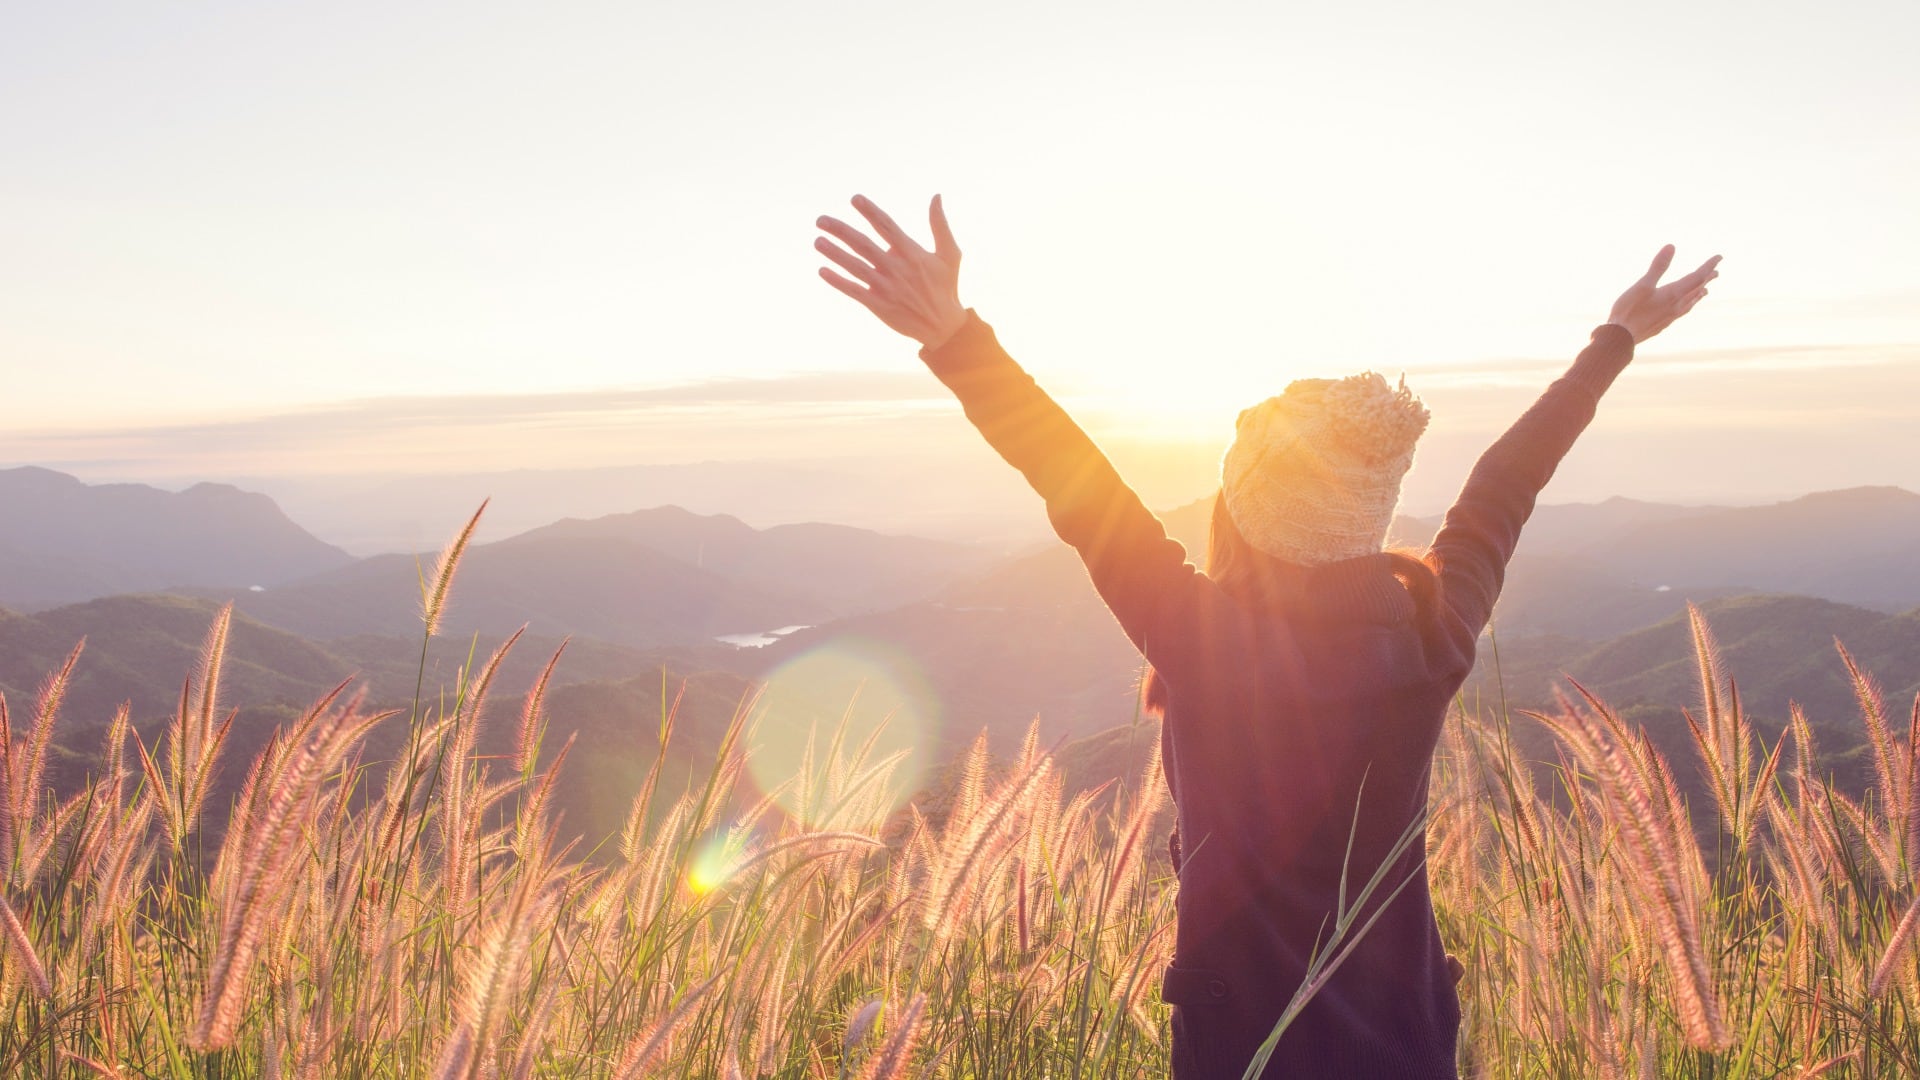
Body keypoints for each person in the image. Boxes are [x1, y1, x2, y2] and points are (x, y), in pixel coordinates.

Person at [815, 193, 1718, 1079]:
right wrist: (1615, 341)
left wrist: (953, 338)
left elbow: (1075, 481)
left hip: (1243, 1047)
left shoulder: (1207, 643)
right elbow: (1503, 489)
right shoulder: (1434, 629)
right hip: (1408, 1044)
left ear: (1241, 510)